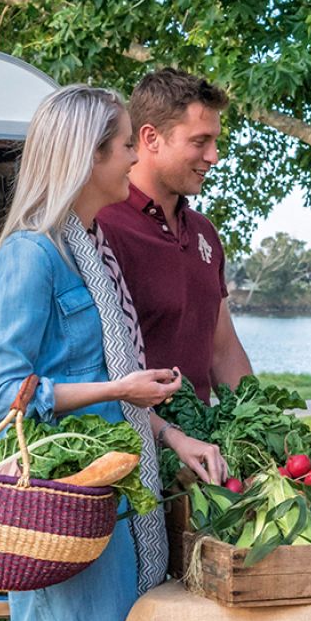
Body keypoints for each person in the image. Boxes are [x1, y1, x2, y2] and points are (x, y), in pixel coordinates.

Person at [0, 86, 194, 621]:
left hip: (105, 490)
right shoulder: (31, 254)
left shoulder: (91, 252)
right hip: (67, 498)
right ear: (86, 156)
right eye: (126, 144)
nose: (133, 159)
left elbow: (103, 392)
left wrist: (174, 435)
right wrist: (119, 389)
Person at [97, 68, 251, 473]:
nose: (214, 156)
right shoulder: (101, 226)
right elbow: (93, 365)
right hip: (128, 456)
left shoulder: (204, 233)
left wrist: (258, 419)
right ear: (150, 138)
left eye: (215, 141)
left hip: (200, 456)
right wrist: (167, 435)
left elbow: (223, 348)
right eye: (200, 141)